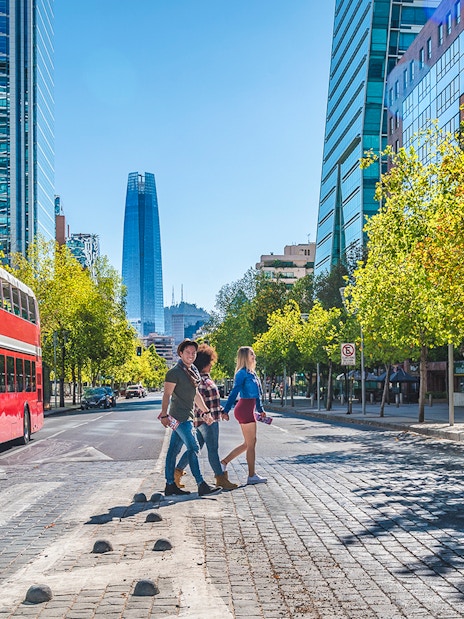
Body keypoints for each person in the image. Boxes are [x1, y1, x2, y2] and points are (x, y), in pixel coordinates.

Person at [159, 339, 221, 497]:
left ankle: (169, 485)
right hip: (179, 418)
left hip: (188, 415)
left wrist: (206, 412)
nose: (191, 355)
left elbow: (196, 395)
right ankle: (201, 485)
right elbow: (167, 394)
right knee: (194, 448)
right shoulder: (174, 373)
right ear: (180, 353)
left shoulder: (193, 370)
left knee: (173, 450)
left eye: (194, 353)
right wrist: (164, 414)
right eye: (188, 352)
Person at [174, 344, 238, 491]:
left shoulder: (199, 380)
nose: (211, 365)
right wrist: (212, 415)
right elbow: (200, 403)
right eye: (209, 363)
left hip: (203, 420)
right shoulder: (202, 382)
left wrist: (221, 411)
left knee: (195, 449)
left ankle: (177, 472)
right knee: (213, 449)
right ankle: (220, 478)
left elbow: (211, 402)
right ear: (204, 364)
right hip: (208, 422)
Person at [220, 346, 268, 485]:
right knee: (251, 443)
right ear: (244, 357)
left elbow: (257, 396)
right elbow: (234, 393)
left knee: (248, 443)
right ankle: (251, 475)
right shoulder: (241, 373)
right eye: (251, 354)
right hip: (244, 408)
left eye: (253, 353)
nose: (254, 356)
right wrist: (226, 410)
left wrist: (261, 410)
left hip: (249, 408)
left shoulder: (252, 373)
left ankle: (224, 463)